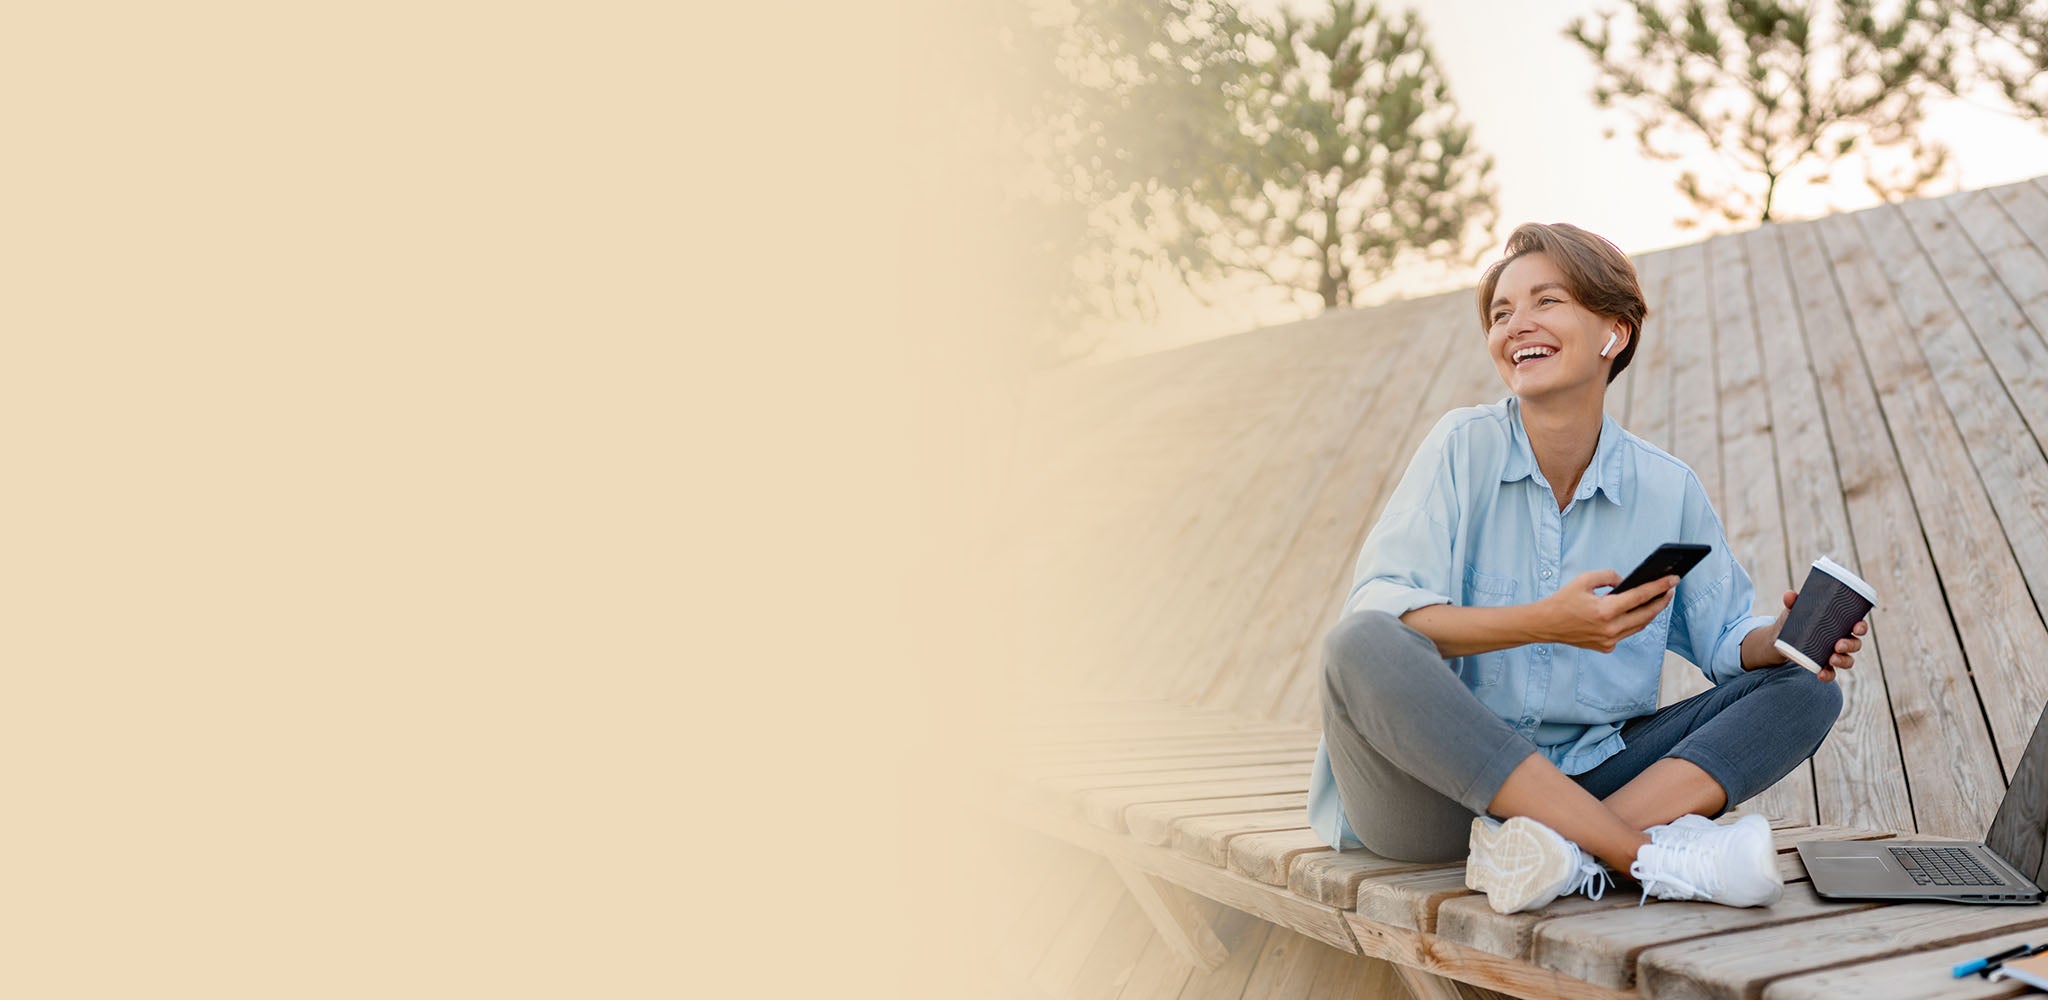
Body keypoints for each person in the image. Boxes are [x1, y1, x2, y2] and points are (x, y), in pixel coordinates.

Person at [1307, 222, 1869, 915]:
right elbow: (1385, 614)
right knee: (1360, 642)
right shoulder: (1462, 448)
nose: (1518, 325)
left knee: (1807, 688)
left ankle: (1558, 854)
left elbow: (1726, 639)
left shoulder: (1667, 489)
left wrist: (1779, 633)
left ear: (1614, 332)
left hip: (1597, 772)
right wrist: (1547, 623)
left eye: (1546, 301)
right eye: (1501, 312)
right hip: (1431, 800)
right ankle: (1632, 854)